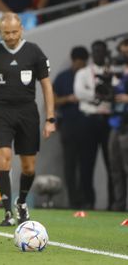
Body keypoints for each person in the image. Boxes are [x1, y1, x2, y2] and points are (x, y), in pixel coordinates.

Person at [0, 12, 56, 226]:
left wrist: (50, 118)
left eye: (14, 32)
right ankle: (7, 213)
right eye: (6, 33)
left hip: (27, 112)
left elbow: (46, 86)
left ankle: (21, 202)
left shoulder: (34, 52)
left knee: (28, 167)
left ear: (21, 29)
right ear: (0, 32)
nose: (11, 36)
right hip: (1, 112)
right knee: (4, 157)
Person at [74, 40, 116, 210]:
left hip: (108, 120)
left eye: (101, 51)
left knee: (112, 164)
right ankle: (88, 201)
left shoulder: (112, 72)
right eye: (95, 51)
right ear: (92, 53)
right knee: (86, 163)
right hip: (88, 120)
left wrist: (103, 94)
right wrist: (99, 94)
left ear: (106, 53)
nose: (98, 53)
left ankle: (114, 203)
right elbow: (79, 93)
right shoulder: (83, 72)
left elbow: (114, 92)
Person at [53, 46, 89, 209]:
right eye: (78, 62)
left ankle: (88, 200)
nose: (80, 66)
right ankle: (74, 201)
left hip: (88, 125)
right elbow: (53, 100)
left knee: (87, 164)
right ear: (73, 60)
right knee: (70, 165)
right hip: (68, 125)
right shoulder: (63, 77)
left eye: (82, 63)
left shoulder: (90, 76)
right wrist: (68, 98)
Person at [107, 38, 128, 211]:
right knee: (115, 166)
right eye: (122, 52)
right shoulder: (118, 72)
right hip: (116, 122)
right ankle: (119, 204)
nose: (124, 55)